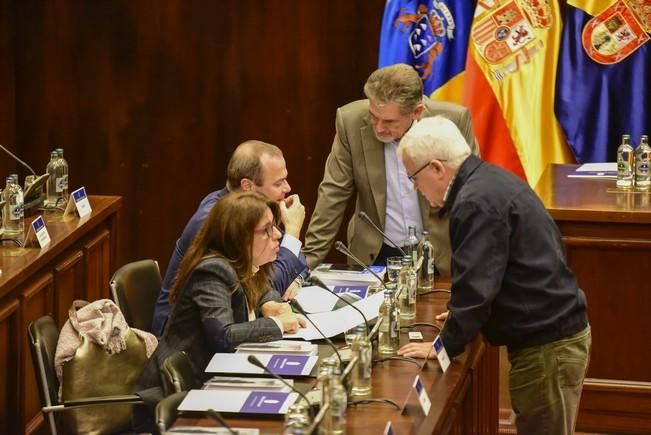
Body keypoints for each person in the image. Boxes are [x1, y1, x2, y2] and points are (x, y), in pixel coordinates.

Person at [396, 116, 591, 435]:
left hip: (547, 348)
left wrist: (443, 344)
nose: (415, 188)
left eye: (413, 178)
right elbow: (495, 271)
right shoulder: (487, 181)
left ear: (436, 168)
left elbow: (477, 290)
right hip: (552, 339)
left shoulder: (475, 201)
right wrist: (461, 312)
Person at [133, 192, 306, 431]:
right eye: (267, 229)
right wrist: (277, 324)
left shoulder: (242, 263)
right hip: (181, 399)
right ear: (240, 236)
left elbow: (263, 289)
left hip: (215, 385)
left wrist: (270, 302)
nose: (277, 235)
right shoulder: (213, 270)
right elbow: (225, 335)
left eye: (275, 227)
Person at [303, 63, 479, 272]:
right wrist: (305, 266)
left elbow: (473, 192)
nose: (378, 128)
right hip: (375, 253)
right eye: (373, 116)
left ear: (417, 111)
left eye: (388, 121)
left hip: (439, 253)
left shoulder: (453, 121)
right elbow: (333, 194)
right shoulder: (350, 121)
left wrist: (476, 261)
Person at [152, 140, 308, 336]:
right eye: (278, 183)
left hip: (232, 324)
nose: (288, 187)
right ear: (248, 186)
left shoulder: (256, 213)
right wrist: (292, 234)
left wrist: (295, 280)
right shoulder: (219, 220)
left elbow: (298, 260)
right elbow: (269, 281)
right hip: (187, 343)